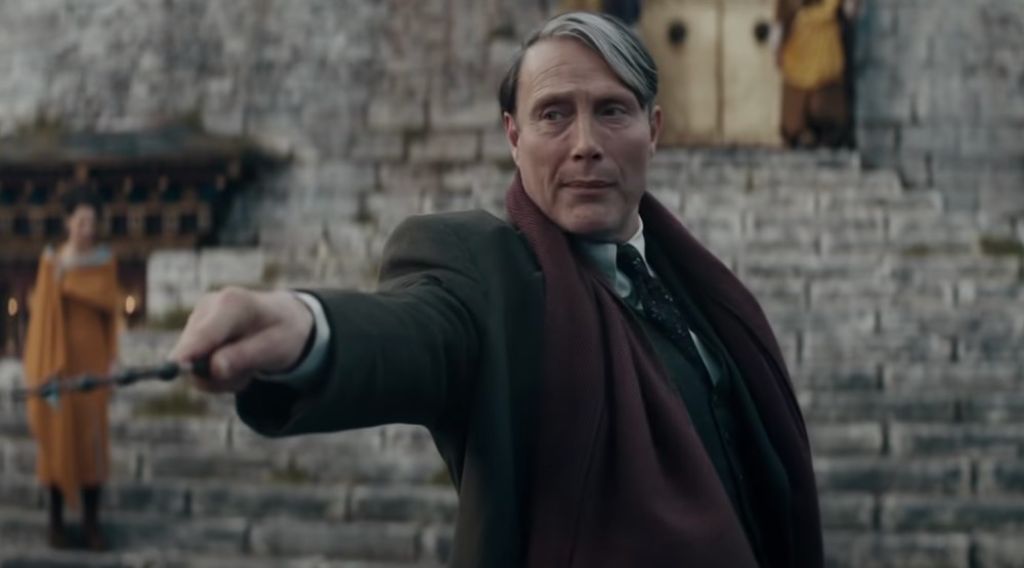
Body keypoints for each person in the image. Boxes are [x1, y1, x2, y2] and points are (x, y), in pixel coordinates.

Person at [171, 12, 822, 568]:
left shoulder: (704, 292)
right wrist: (309, 330)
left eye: (612, 111)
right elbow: (417, 332)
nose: (586, 145)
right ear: (514, 136)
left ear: (653, 129)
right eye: (554, 115)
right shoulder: (488, 275)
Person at [23, 187, 121, 551]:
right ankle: (56, 524)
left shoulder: (104, 263)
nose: (87, 229)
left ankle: (92, 524)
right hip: (58, 363)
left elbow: (112, 317)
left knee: (91, 441)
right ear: (67, 222)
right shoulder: (52, 263)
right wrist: (42, 366)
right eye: (81, 221)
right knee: (58, 438)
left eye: (92, 222)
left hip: (92, 361)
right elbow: (41, 318)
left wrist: (113, 359)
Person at [778, 0, 851, 147]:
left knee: (824, 104)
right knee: (797, 108)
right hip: (801, 52)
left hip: (825, 53)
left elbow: (850, 12)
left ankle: (818, 134)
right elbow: (781, 22)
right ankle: (803, 133)